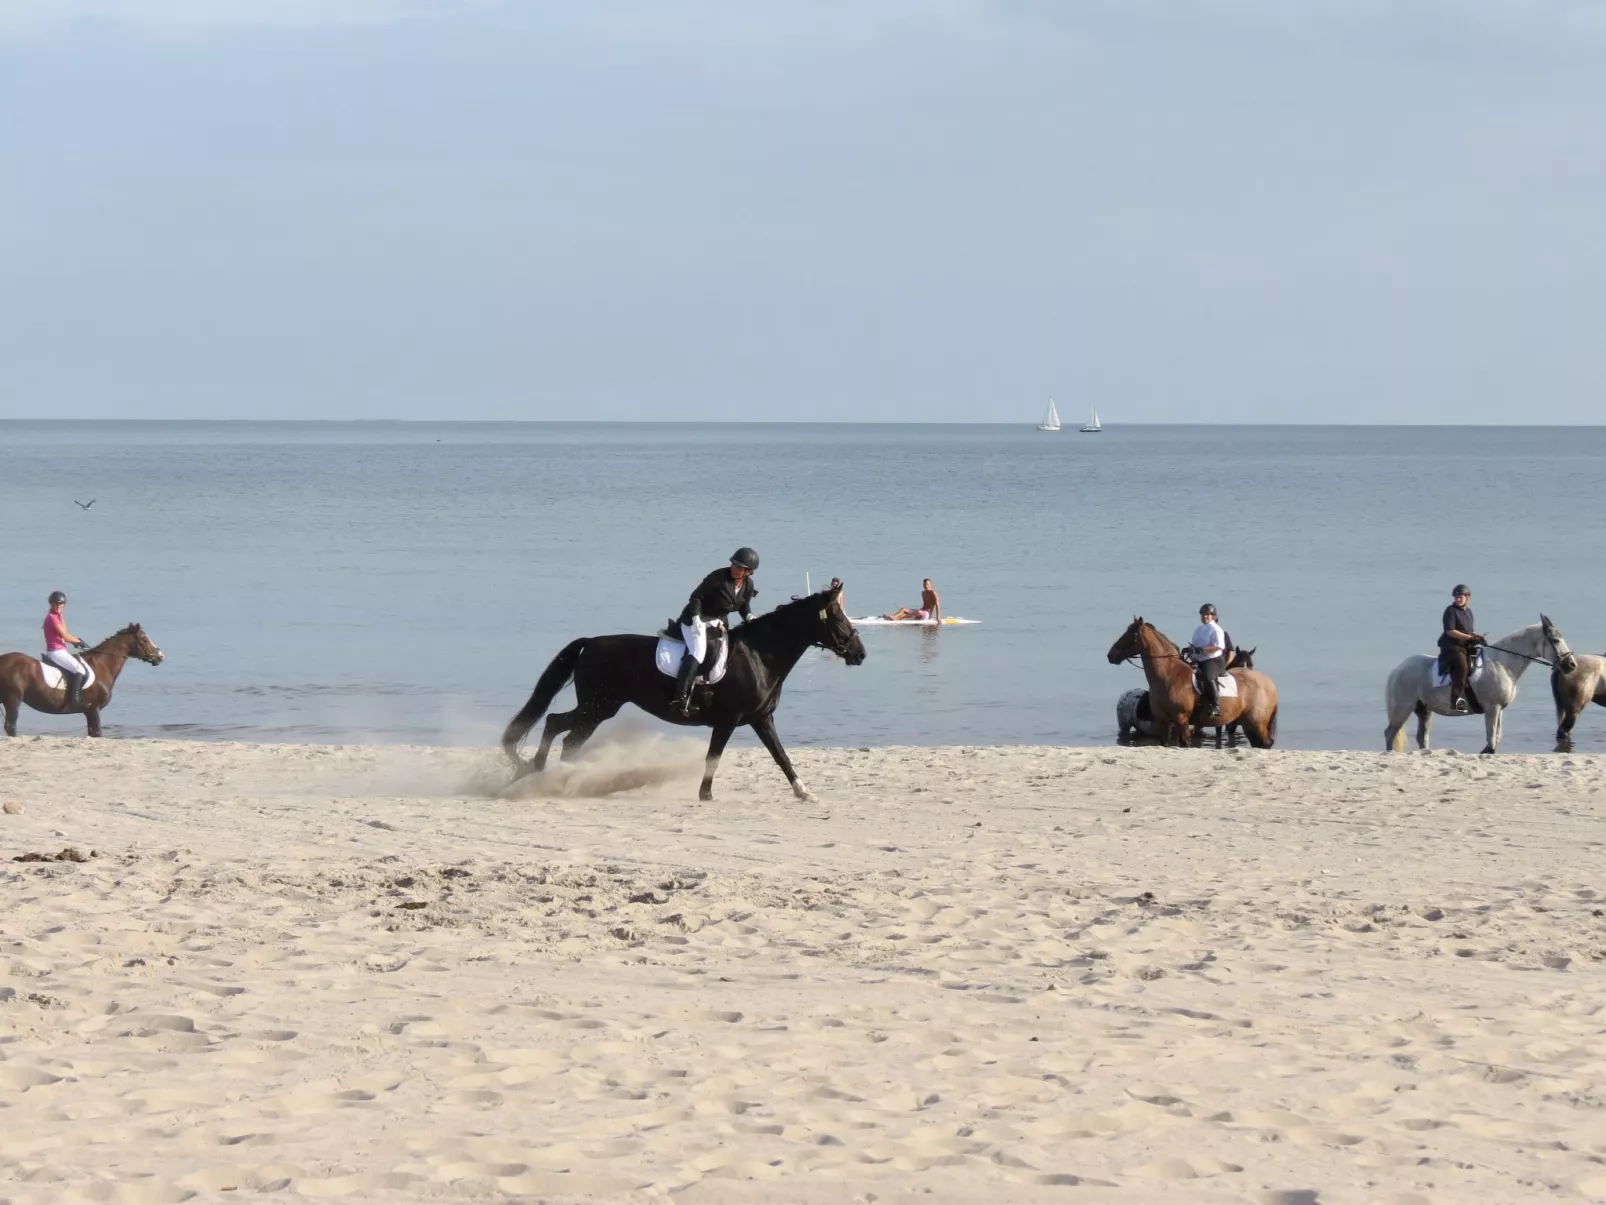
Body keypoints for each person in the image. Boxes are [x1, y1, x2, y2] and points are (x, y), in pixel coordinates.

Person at [671, 548, 760, 716]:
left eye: (739, 568)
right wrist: (696, 618)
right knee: (698, 652)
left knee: (725, 654)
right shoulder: (718, 577)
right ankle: (680, 698)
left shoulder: (748, 585)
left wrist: (749, 616)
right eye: (734, 565)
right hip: (695, 620)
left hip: (717, 624)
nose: (734, 569)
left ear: (748, 572)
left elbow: (743, 606)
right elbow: (696, 597)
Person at [1438, 584, 1484, 714]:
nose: (1458, 599)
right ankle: (1456, 700)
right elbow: (1450, 631)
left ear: (1467, 598)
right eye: (1456, 597)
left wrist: (1477, 637)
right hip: (1452, 647)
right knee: (1463, 668)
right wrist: (1469, 637)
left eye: (1460, 597)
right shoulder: (1450, 611)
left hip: (1465, 646)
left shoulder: (1469, 612)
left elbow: (1469, 631)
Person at [42, 590, 91, 711]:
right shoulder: (52, 618)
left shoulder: (57, 616)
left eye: (62, 604)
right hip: (56, 652)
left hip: (61, 650)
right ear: (51, 604)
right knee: (80, 670)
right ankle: (75, 701)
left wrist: (76, 640)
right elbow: (64, 636)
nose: (60, 606)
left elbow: (65, 633)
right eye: (57, 603)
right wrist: (78, 642)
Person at [1187, 603, 1227, 718]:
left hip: (1213, 660)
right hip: (1199, 661)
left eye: (1208, 614)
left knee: (1208, 677)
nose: (1205, 616)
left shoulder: (1216, 629)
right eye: (1203, 614)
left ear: (1213, 616)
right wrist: (1189, 649)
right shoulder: (1198, 630)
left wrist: (1203, 649)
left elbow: (1219, 646)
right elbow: (1194, 645)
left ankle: (1216, 705)